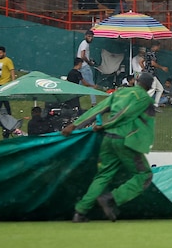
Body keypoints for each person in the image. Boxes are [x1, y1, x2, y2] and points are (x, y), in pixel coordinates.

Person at [65, 72, 157, 222]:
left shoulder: (121, 92)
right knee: (144, 175)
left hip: (108, 139)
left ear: (137, 81)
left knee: (103, 175)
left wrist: (75, 125)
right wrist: (105, 125)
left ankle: (80, 211)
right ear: (149, 87)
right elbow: (125, 114)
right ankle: (111, 199)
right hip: (126, 140)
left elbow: (99, 108)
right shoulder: (144, 98)